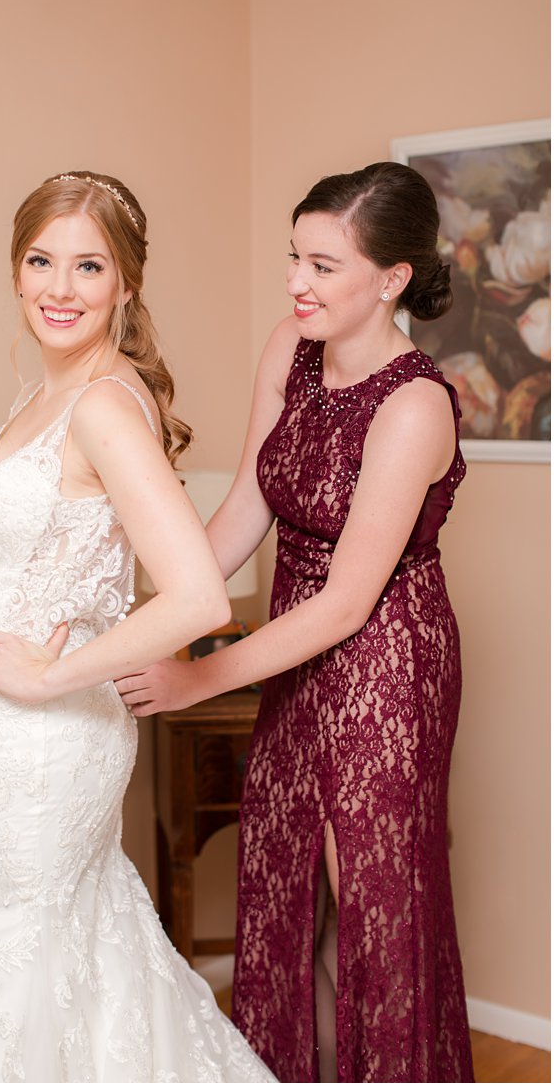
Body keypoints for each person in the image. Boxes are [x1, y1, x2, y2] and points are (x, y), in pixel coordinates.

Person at [0, 171, 274, 1082]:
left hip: (54, 738)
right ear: (15, 273)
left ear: (125, 285)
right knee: (55, 945)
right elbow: (13, 581)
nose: (61, 288)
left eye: (89, 265)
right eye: (41, 261)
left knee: (13, 951)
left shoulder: (102, 404)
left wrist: (45, 680)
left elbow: (195, 599)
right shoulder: (49, 394)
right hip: (8, 725)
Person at [115, 161, 471, 1082]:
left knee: (371, 913)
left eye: (323, 264)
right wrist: (138, 616)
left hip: (385, 656)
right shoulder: (290, 346)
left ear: (391, 280)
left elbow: (350, 600)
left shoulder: (415, 403)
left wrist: (195, 673)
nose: (295, 282)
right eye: (293, 256)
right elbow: (242, 513)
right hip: (295, 643)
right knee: (287, 892)